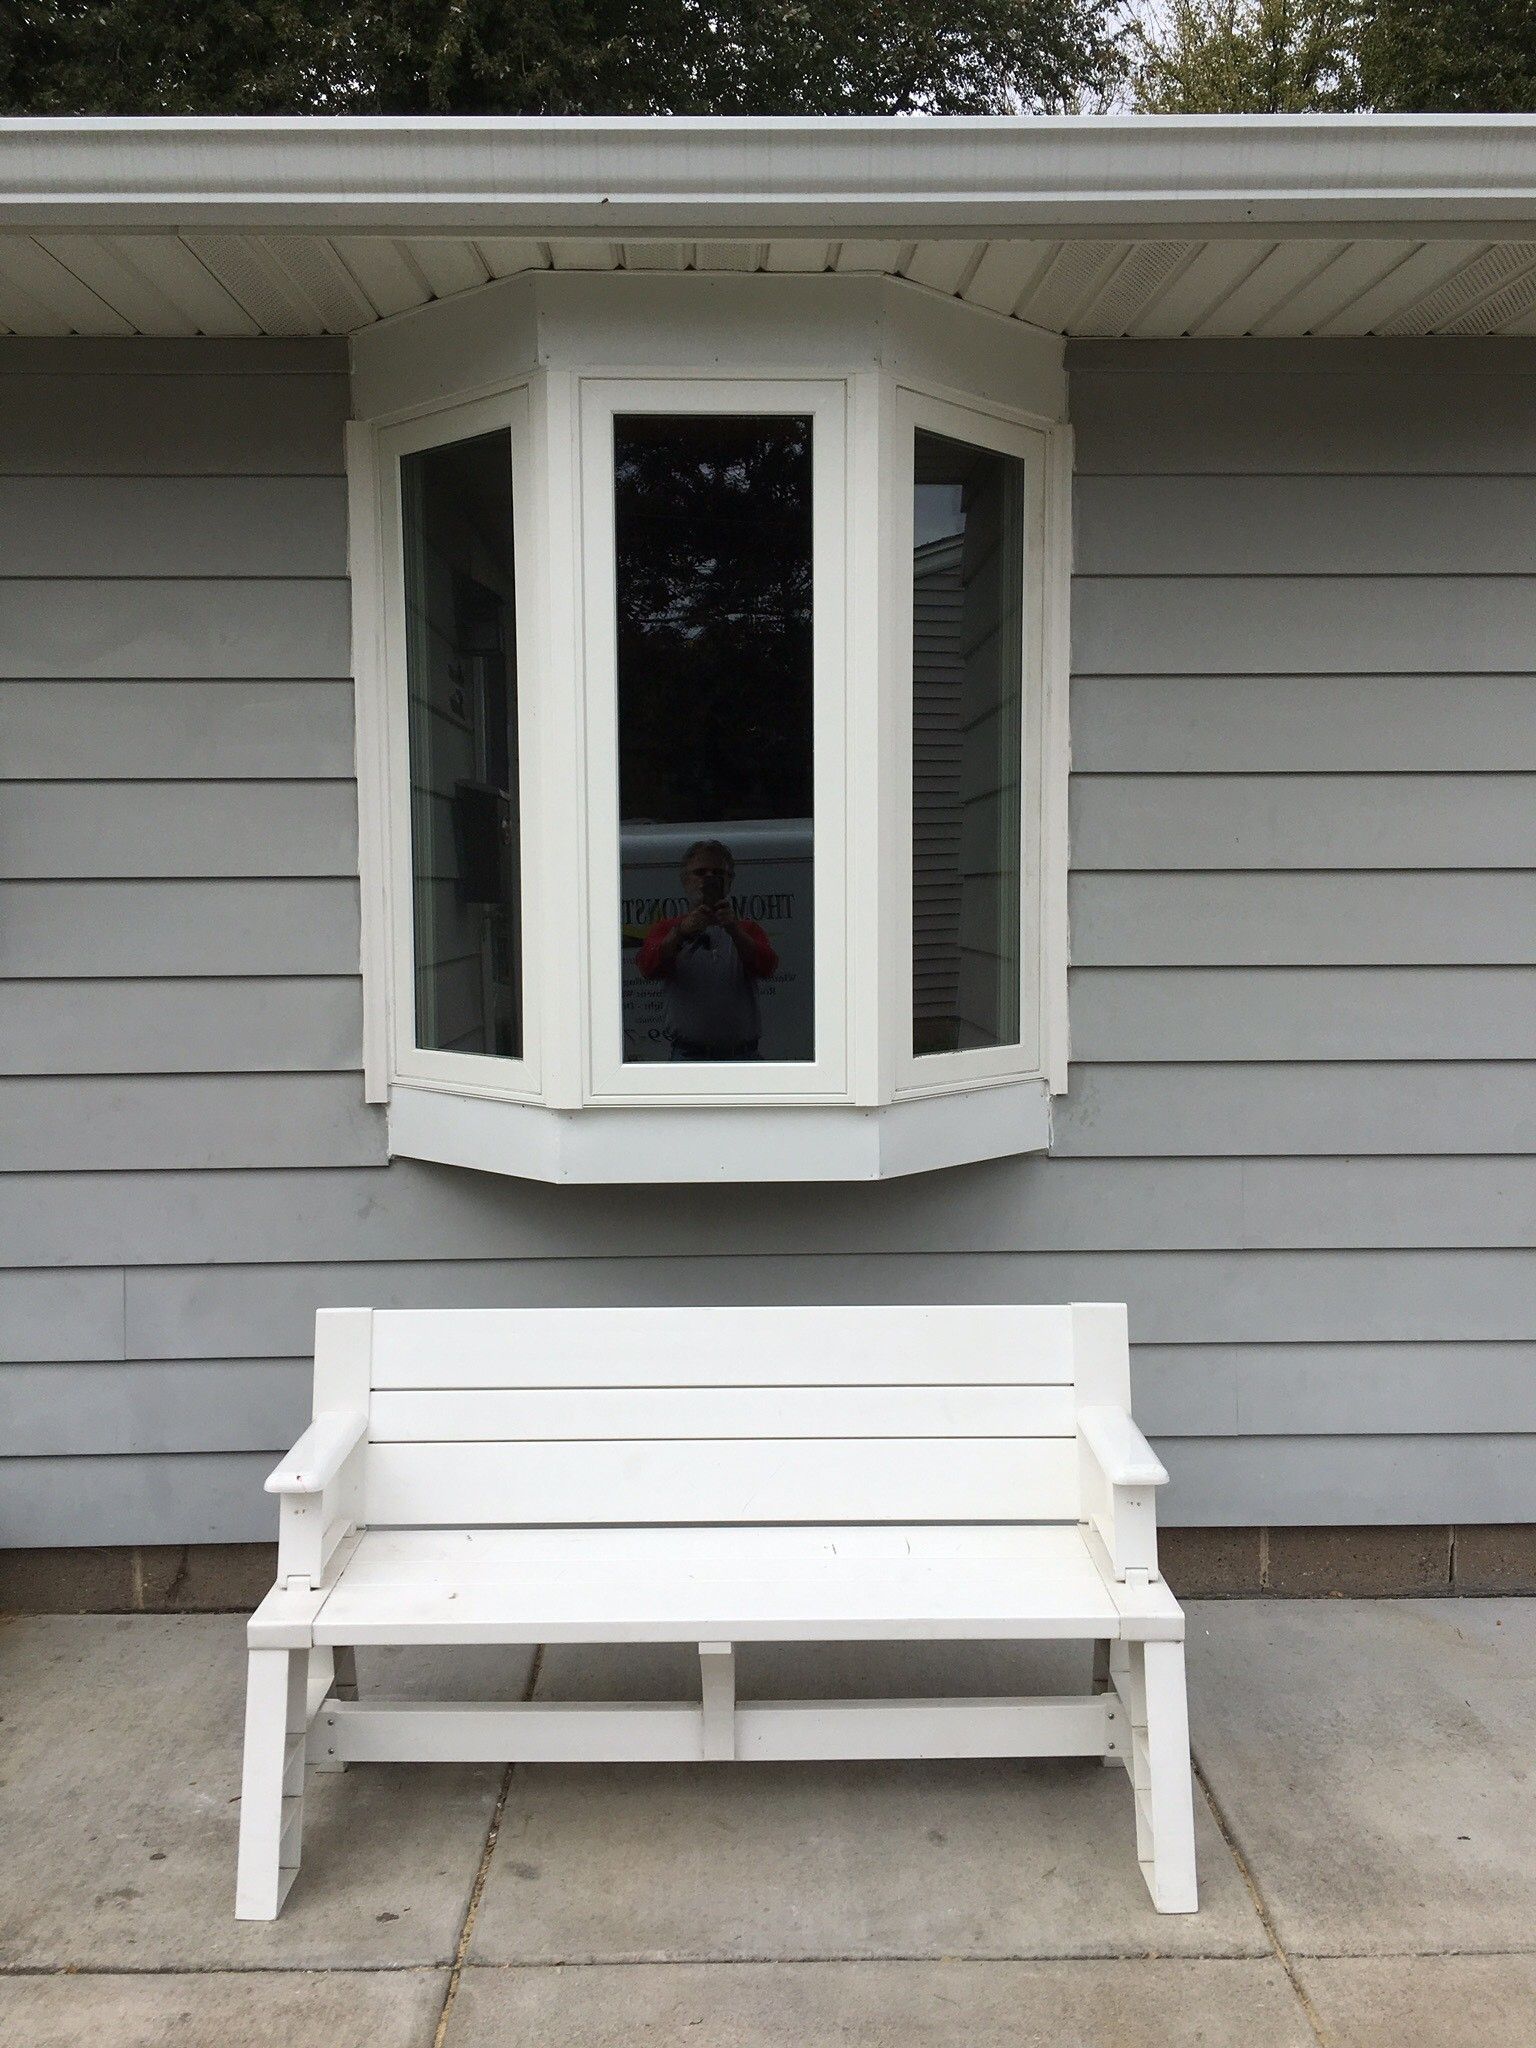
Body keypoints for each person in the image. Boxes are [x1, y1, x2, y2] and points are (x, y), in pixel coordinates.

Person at [636, 839, 778, 1060]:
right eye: (700, 872)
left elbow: (767, 967)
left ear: (729, 882)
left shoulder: (747, 929)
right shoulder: (667, 929)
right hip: (688, 1054)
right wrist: (681, 933)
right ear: (686, 881)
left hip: (742, 1055)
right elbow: (648, 967)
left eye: (717, 873)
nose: (708, 879)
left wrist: (734, 930)